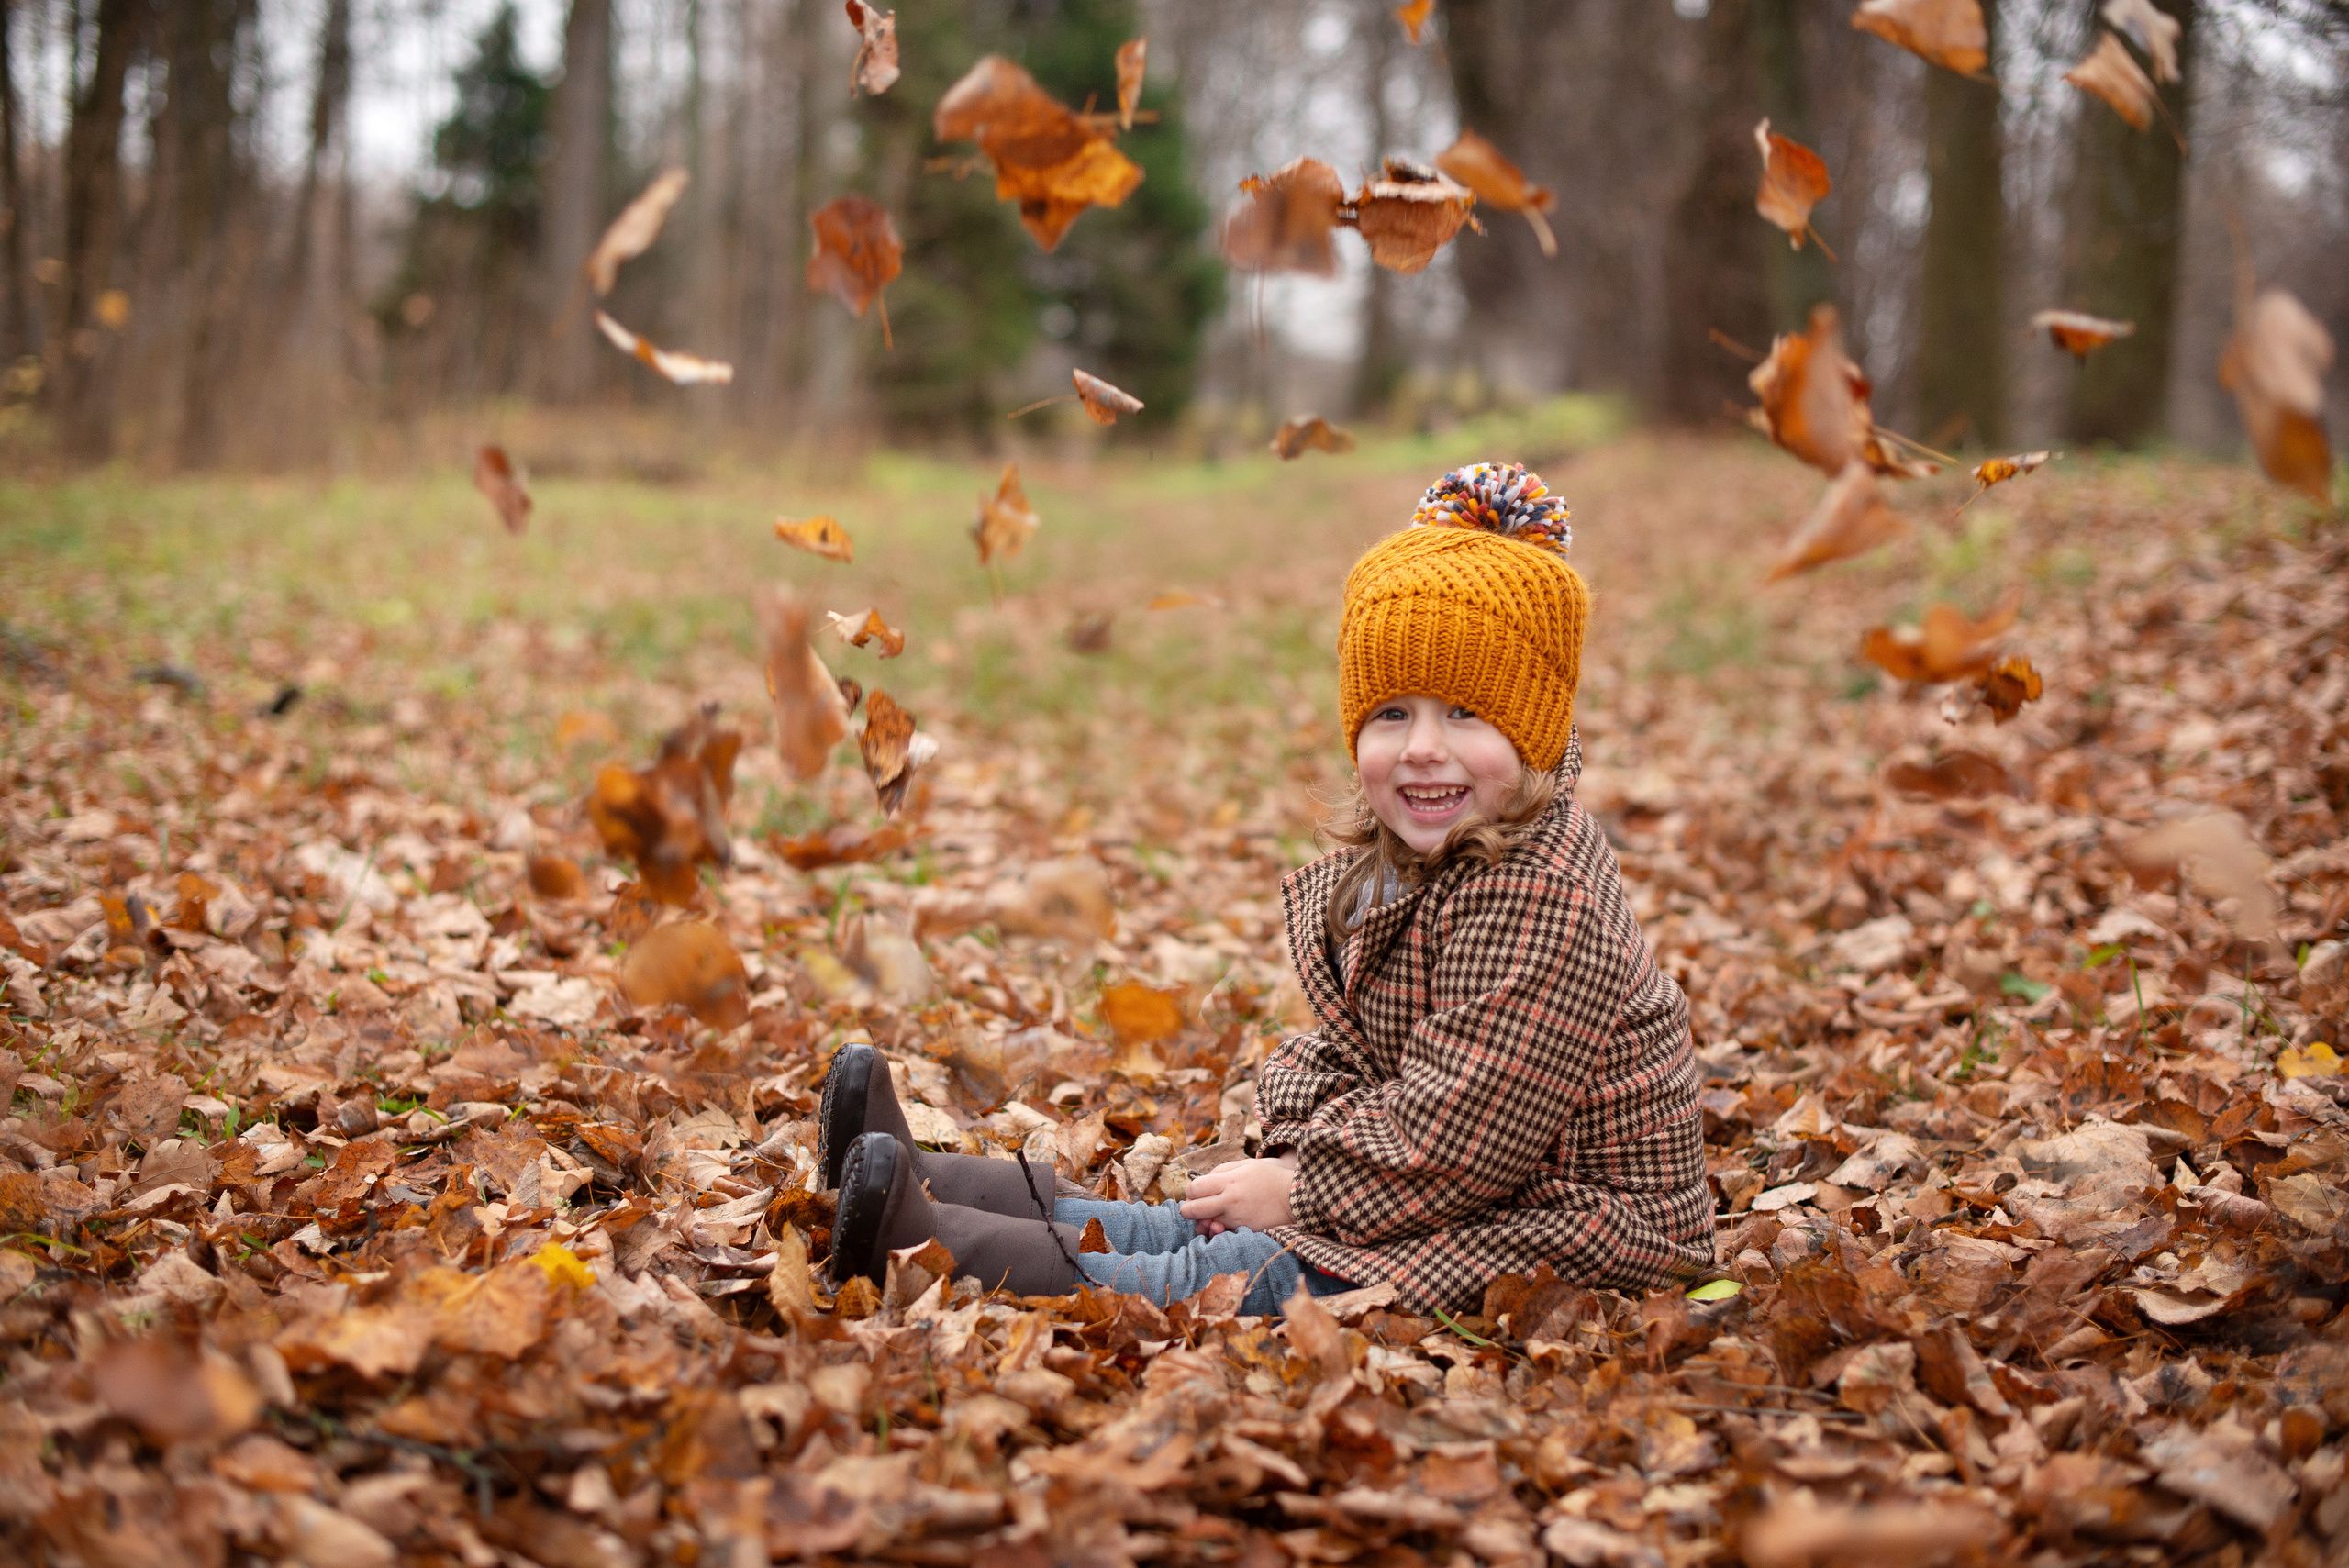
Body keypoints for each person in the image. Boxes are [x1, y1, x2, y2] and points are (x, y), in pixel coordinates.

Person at [821, 462, 1713, 1316]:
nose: (1421, 747)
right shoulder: (1446, 853)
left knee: (1244, 1264)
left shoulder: (1545, 905)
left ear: (1533, 733)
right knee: (1198, 1221)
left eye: (1465, 713)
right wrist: (1298, 1119)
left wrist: (1300, 1181)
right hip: (1478, 1174)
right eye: (1392, 712)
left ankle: (936, 1248)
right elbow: (1384, 1048)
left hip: (1578, 1229)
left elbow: (1462, 1138)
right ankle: (940, 1187)